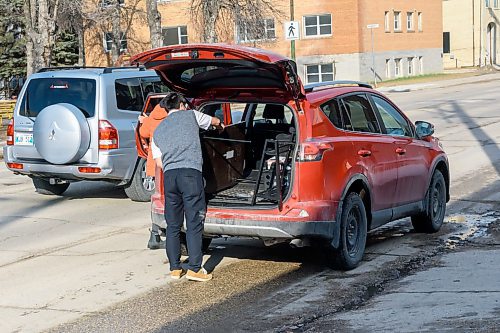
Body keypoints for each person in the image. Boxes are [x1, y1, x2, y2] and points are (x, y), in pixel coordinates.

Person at [151, 92, 224, 282]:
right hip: (190, 175)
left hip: (170, 177)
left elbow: (159, 162)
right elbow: (213, 121)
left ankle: (175, 268)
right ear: (183, 105)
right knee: (193, 223)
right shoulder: (191, 115)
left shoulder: (158, 130)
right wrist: (220, 124)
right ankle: (194, 269)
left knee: (173, 225)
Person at [138, 102, 169, 250]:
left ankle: (155, 235)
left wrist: (145, 120)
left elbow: (143, 133)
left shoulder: (152, 118)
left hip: (154, 165)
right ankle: (162, 234)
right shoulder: (170, 119)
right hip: (168, 163)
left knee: (158, 199)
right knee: (170, 200)